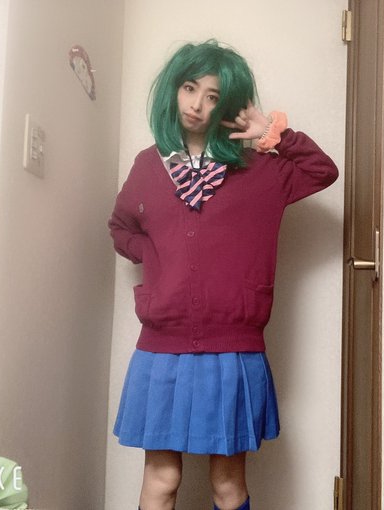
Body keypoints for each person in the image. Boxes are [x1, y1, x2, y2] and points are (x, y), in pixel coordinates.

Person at [108, 40, 338, 510]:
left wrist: (271, 133)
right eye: (190, 88)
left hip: (233, 348)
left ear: (228, 104)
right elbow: (120, 227)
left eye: (213, 95)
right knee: (162, 478)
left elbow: (323, 171)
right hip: (162, 346)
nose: (197, 104)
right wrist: (153, 255)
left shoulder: (260, 170)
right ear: (174, 90)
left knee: (227, 483)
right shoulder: (149, 166)